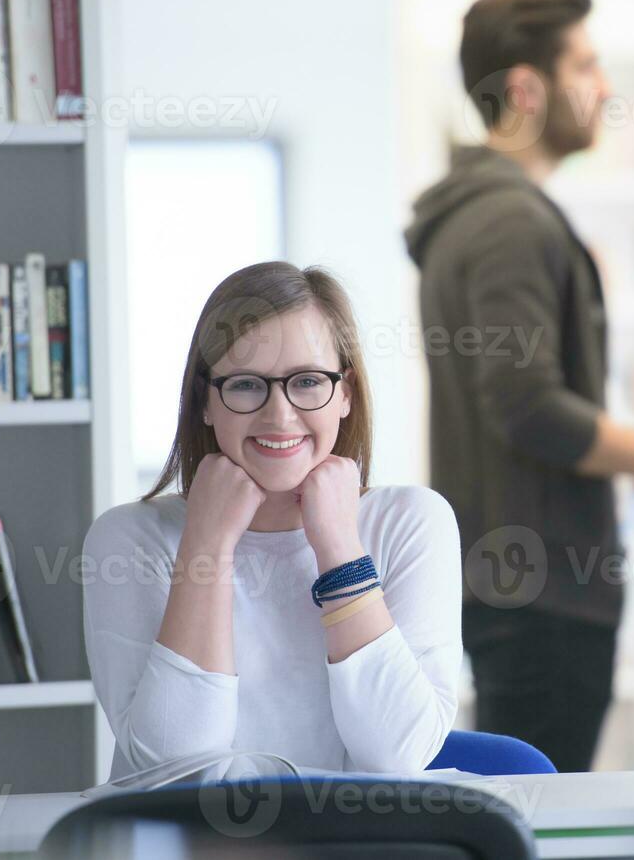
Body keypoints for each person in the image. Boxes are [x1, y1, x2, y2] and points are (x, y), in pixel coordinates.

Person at [405, 0, 634, 771]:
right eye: (585, 65)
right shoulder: (508, 219)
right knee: (541, 819)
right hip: (541, 599)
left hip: (517, 588)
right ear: (524, 88)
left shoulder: (479, 212)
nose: (604, 87)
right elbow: (528, 404)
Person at [82, 261, 462, 780]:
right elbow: (172, 768)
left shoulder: (413, 522)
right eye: (244, 385)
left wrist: (339, 547)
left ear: (345, 393)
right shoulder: (127, 538)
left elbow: (398, 755)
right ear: (206, 402)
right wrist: (208, 543)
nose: (279, 415)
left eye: (307, 381)